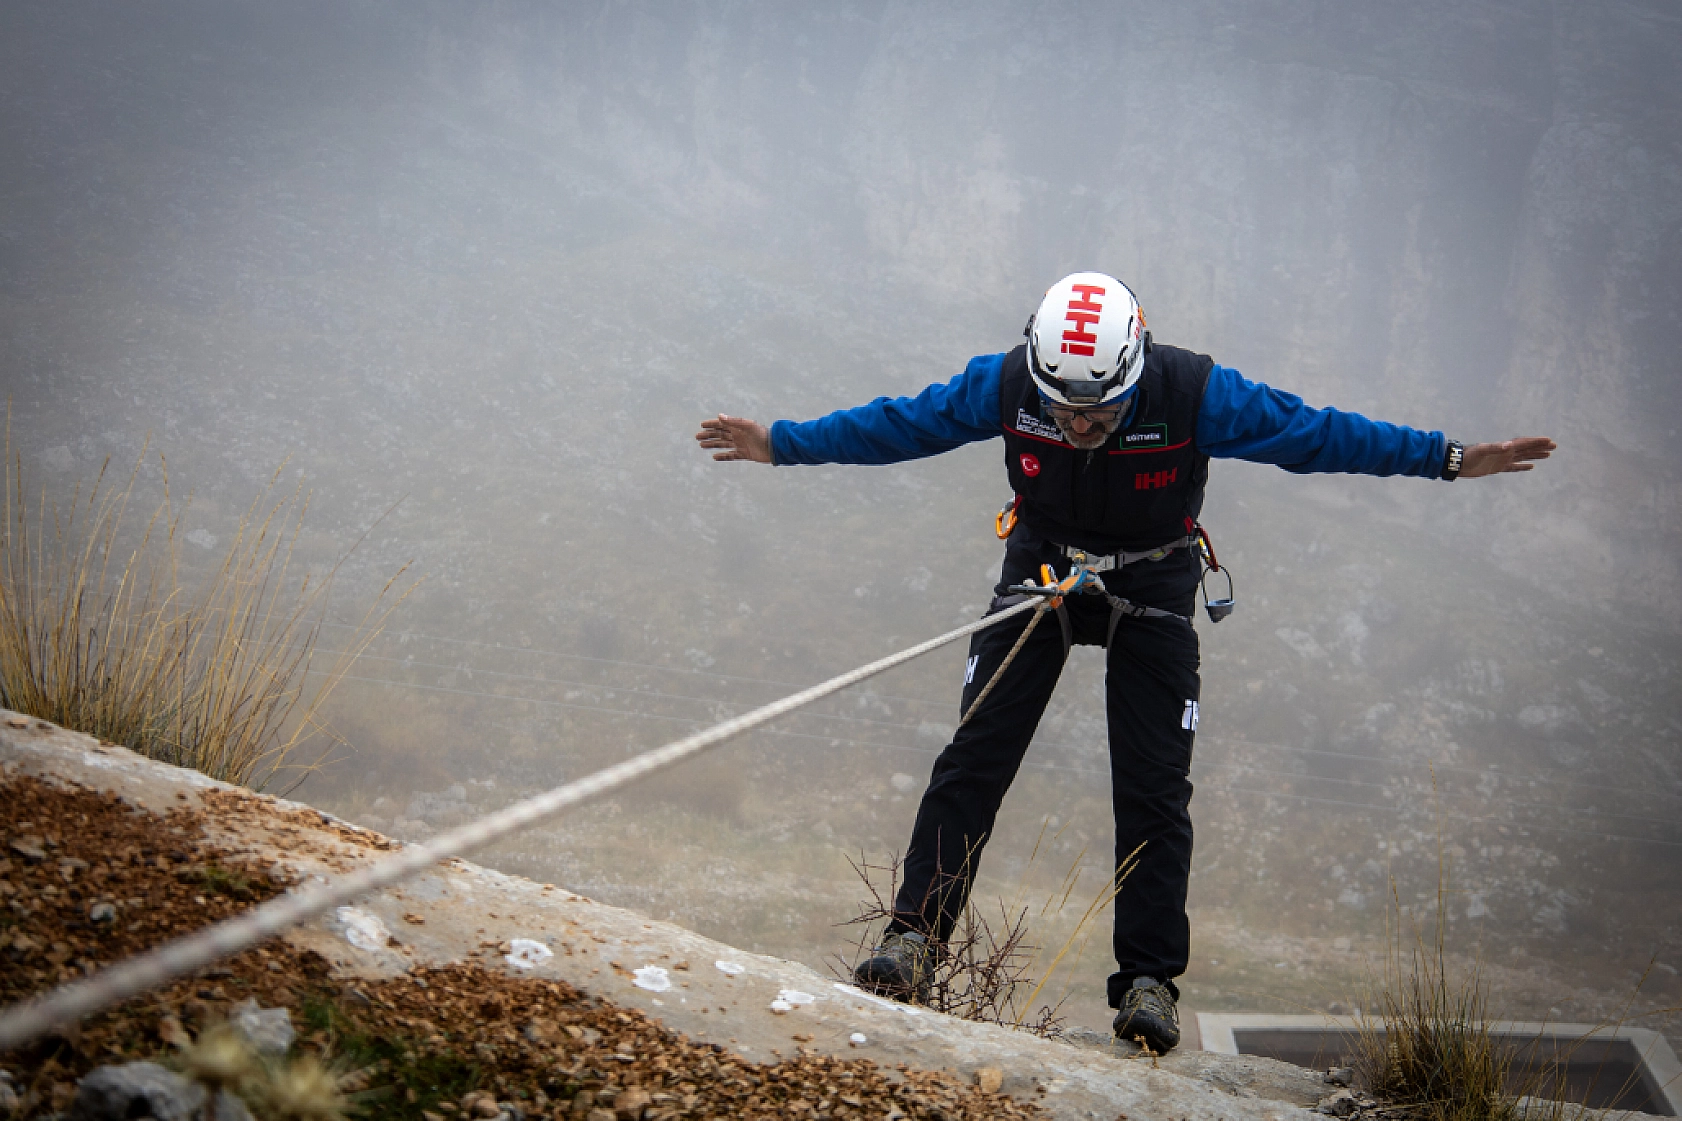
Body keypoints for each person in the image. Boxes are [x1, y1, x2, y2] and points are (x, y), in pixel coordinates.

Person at [693, 272, 1554, 1051]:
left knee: (1152, 790)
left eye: (1099, 412)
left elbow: (1316, 434)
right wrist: (784, 443)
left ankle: (1148, 983)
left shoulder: (1193, 393)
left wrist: (1448, 459)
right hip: (1043, 569)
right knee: (974, 756)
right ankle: (913, 936)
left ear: (1133, 372)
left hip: (1153, 583)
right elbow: (902, 423)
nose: (1079, 424)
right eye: (1064, 410)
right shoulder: (1005, 383)